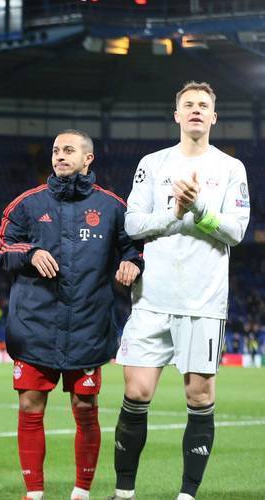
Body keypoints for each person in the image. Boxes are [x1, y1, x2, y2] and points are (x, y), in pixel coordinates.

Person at [110, 81, 250, 500]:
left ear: (214, 117)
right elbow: (133, 224)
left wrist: (200, 208)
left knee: (199, 394)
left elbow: (236, 231)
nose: (195, 110)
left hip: (203, 301)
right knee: (136, 391)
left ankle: (187, 494)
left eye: (203, 105)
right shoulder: (152, 164)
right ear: (176, 115)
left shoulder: (231, 167)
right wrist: (174, 212)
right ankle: (124, 492)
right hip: (152, 298)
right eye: (188, 104)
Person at [0, 129, 143, 500]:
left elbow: (135, 248)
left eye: (69, 150)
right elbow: (3, 249)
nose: (60, 156)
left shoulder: (112, 207)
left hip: (88, 325)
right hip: (35, 325)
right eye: (56, 150)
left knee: (85, 407)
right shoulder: (28, 204)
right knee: (30, 405)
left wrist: (132, 263)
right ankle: (34, 493)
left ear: (88, 158)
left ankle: (81, 492)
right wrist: (30, 254)